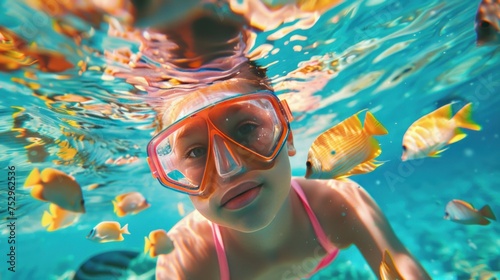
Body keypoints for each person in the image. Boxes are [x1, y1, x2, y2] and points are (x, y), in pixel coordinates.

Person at [124, 1, 432, 279]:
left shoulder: (339, 203)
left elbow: (402, 267)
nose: (228, 168)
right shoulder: (186, 258)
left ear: (287, 131)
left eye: (245, 129)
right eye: (195, 152)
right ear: (171, 170)